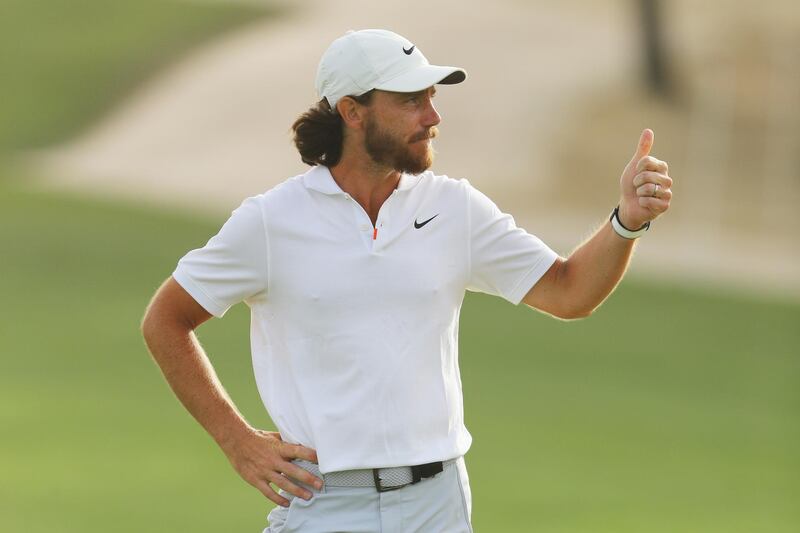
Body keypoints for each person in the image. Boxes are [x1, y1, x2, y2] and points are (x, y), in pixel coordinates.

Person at [141, 28, 673, 532]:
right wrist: (238, 441)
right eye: (411, 100)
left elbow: (570, 291)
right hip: (322, 503)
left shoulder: (454, 208)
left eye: (431, 97)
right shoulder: (271, 222)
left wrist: (626, 221)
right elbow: (166, 320)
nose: (433, 116)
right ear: (352, 112)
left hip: (436, 504)